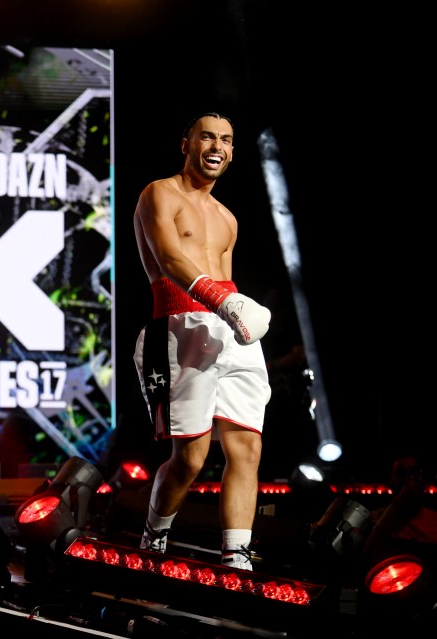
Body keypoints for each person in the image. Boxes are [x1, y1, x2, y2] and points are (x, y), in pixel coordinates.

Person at [131, 112, 272, 571]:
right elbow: (169, 257)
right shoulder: (160, 192)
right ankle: (154, 535)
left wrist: (239, 314)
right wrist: (223, 303)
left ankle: (236, 555)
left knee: (247, 446)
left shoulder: (228, 217)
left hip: (227, 329)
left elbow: (226, 278)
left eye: (227, 140)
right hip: (178, 324)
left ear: (232, 152)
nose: (217, 145)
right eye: (207, 136)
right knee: (191, 458)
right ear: (186, 143)